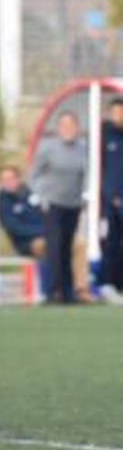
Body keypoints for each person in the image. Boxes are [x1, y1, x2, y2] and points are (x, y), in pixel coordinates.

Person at [29, 112, 90, 304]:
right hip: (52, 204)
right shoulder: (47, 148)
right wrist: (40, 196)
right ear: (58, 128)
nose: (68, 129)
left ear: (77, 128)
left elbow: (88, 173)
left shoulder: (83, 149)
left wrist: (86, 194)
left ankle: (67, 291)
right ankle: (53, 291)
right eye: (64, 125)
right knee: (54, 246)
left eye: (71, 125)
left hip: (74, 205)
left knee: (66, 247)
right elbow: (33, 175)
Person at [100, 98, 123, 304]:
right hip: (110, 203)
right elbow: (102, 171)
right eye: (116, 112)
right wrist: (111, 195)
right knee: (111, 244)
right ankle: (109, 285)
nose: (119, 116)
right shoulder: (104, 137)